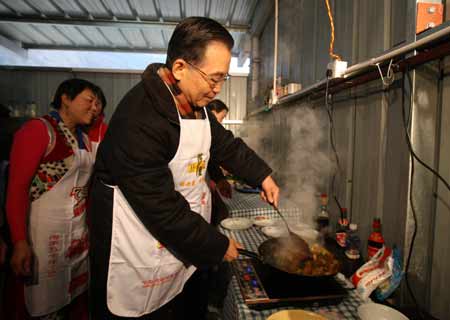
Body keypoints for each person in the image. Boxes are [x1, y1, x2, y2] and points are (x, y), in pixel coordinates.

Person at [88, 17, 279, 320]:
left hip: (177, 241)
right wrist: (215, 245)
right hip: (138, 248)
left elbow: (225, 145)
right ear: (179, 68)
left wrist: (262, 175)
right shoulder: (140, 118)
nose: (217, 89)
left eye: (223, 80)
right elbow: (161, 208)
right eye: (213, 78)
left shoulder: (194, 105)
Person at [4, 78, 100, 319]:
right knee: (38, 302)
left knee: (73, 297)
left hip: (77, 237)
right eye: (89, 100)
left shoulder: (85, 138)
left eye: (97, 103)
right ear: (65, 99)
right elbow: (16, 189)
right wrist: (19, 241)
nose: (94, 107)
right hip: (41, 238)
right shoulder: (39, 130)